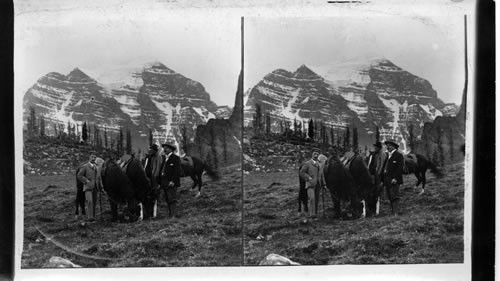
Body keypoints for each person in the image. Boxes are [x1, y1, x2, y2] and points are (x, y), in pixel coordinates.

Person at [299, 148, 325, 218]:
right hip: (310, 184)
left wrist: (323, 184)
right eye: (314, 154)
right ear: (312, 154)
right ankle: (312, 214)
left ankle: (315, 214)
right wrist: (308, 178)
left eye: (317, 154)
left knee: (316, 199)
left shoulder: (319, 165)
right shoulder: (307, 163)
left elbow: (321, 175)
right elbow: (301, 172)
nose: (316, 155)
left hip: (318, 184)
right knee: (312, 198)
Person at [77, 151, 102, 221]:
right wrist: (86, 180)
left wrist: (100, 186)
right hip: (88, 187)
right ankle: (90, 217)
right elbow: (79, 175)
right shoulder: (85, 166)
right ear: (89, 157)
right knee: (90, 201)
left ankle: (93, 217)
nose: (93, 158)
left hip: (95, 187)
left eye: (95, 157)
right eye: (92, 157)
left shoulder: (96, 167)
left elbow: (98, 178)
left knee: (94, 202)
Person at [382, 139, 404, 215]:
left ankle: (395, 213)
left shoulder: (399, 155)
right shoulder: (387, 155)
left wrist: (395, 178)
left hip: (394, 179)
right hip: (387, 179)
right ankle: (392, 212)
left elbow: (400, 168)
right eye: (387, 145)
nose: (387, 147)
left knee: (395, 195)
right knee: (389, 195)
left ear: (394, 147)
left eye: (389, 145)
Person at [159, 142, 181, 218]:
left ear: (171, 149)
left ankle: (173, 215)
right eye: (164, 148)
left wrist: (173, 181)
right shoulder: (164, 158)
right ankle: (170, 214)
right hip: (164, 182)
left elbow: (177, 171)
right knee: (167, 198)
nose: (165, 149)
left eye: (167, 148)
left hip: (171, 182)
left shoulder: (175, 158)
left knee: (172, 198)